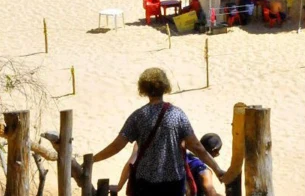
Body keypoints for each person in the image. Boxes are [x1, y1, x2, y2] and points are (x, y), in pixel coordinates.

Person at [94, 68, 225, 196]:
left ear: (143, 89)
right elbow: (196, 147)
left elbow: (116, 146)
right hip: (173, 183)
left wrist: (93, 160)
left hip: (145, 183)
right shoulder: (178, 115)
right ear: (165, 87)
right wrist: (217, 169)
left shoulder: (138, 116)